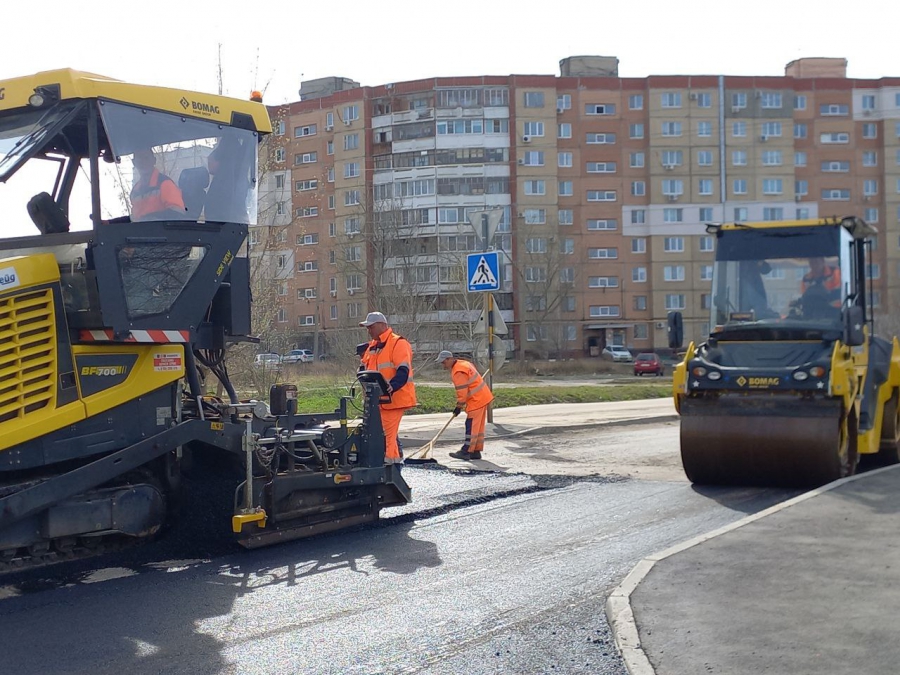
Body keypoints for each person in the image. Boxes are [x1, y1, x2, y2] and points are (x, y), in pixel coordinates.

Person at [359, 312, 416, 465]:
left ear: (382, 325)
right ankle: (393, 464)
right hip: (378, 401)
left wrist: (391, 387)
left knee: (386, 436)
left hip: (394, 400)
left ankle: (392, 467)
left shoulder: (398, 343)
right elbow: (364, 369)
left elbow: (403, 372)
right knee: (383, 434)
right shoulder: (373, 346)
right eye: (367, 328)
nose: (368, 330)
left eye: (371, 327)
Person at [438, 351, 494, 461]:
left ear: (449, 359)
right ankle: (475, 451)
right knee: (477, 427)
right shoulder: (464, 363)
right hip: (482, 397)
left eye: (444, 362)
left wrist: (458, 406)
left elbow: (462, 392)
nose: (443, 365)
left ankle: (466, 451)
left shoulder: (458, 371)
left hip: (476, 400)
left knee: (471, 425)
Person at [130, 148, 186, 221]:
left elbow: (177, 214)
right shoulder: (135, 192)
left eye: (146, 158)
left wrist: (149, 219)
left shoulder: (165, 184)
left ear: (154, 160)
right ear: (134, 163)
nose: (143, 162)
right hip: (141, 231)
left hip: (162, 231)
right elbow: (134, 219)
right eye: (140, 159)